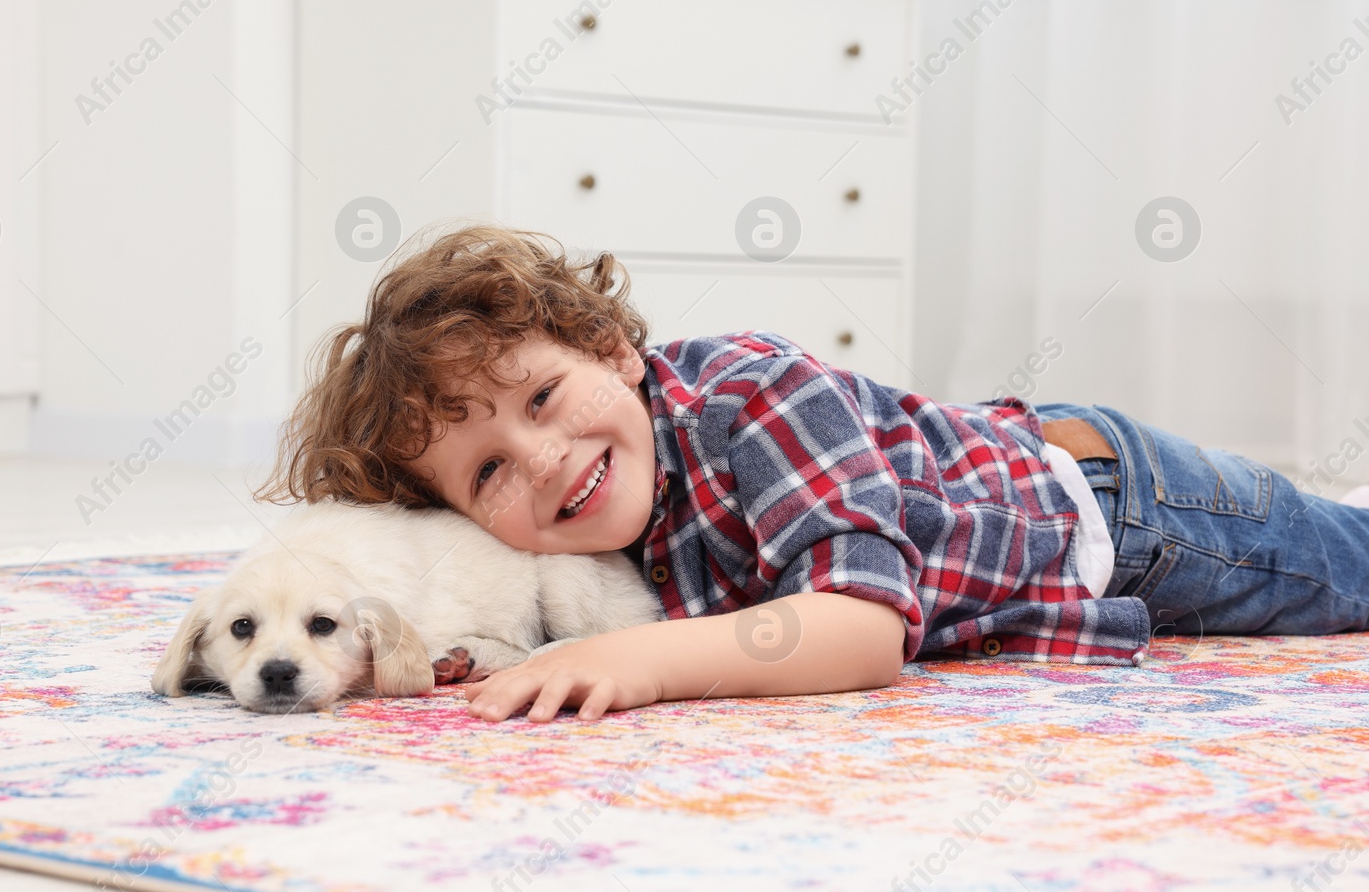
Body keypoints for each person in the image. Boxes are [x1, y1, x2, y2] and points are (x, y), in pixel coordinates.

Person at [258, 225, 1369, 722]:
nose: (542, 461)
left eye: (543, 398)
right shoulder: (577, 526)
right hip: (1006, 529)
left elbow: (860, 632)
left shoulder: (755, 398)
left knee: (1347, 569)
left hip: (1124, 510)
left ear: (610, 349)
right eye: (487, 470)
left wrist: (635, 659)